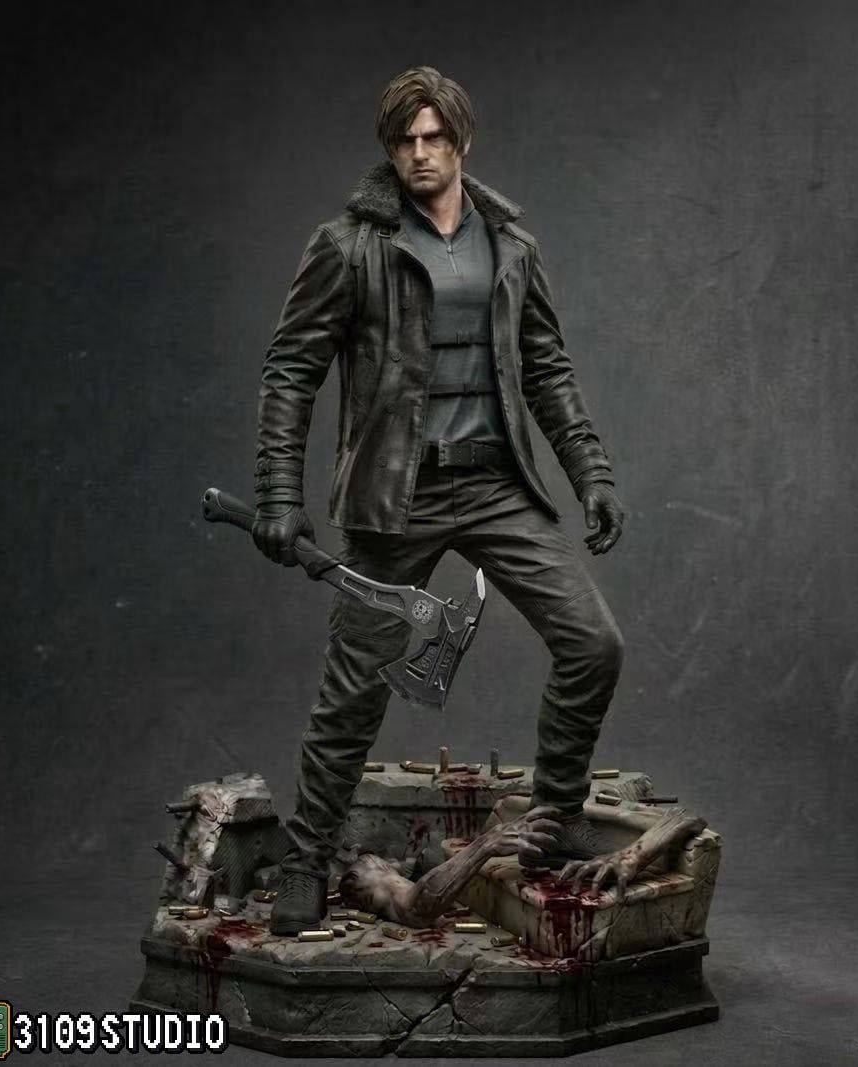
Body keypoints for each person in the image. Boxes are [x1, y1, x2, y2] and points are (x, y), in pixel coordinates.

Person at [253, 66, 625, 935]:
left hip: (495, 484)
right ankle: (306, 859)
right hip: (397, 494)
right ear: (390, 149)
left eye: (434, 137)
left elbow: (547, 370)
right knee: (354, 689)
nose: (420, 153)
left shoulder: (511, 245)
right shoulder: (350, 246)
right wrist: (277, 489)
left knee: (593, 644)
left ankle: (552, 817)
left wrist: (592, 472)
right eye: (405, 140)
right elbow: (291, 369)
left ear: (462, 142)